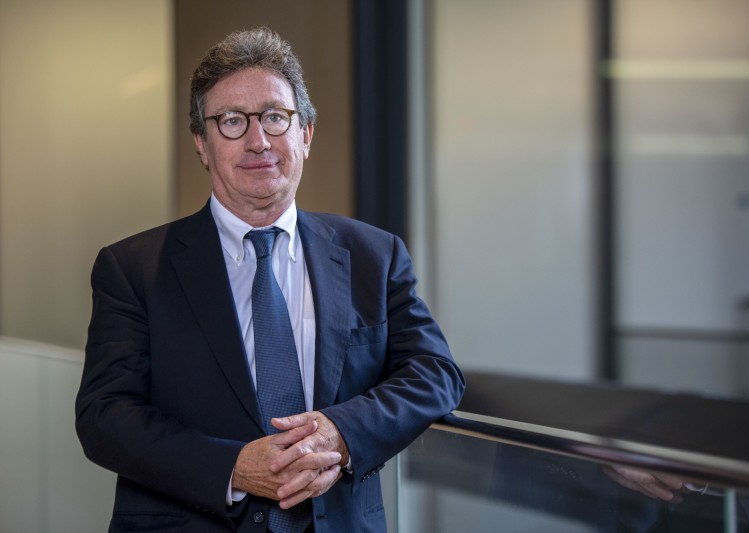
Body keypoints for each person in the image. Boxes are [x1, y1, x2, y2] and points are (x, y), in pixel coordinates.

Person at [75, 26, 465, 533]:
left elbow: (436, 372)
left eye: (275, 117)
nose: (258, 141)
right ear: (202, 144)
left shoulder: (374, 255)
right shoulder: (132, 268)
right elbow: (104, 416)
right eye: (232, 121)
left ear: (306, 134)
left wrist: (340, 433)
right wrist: (233, 468)